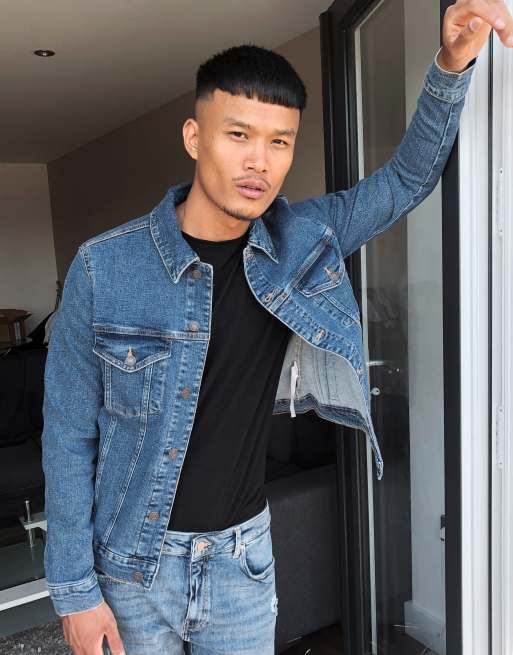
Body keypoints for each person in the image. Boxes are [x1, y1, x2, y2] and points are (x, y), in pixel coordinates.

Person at [41, 1, 512, 653]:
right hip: (129, 573)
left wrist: (450, 67)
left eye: (279, 141)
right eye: (238, 134)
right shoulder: (104, 267)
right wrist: (75, 591)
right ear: (194, 137)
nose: (258, 162)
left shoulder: (302, 240)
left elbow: (406, 179)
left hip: (242, 565)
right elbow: (68, 433)